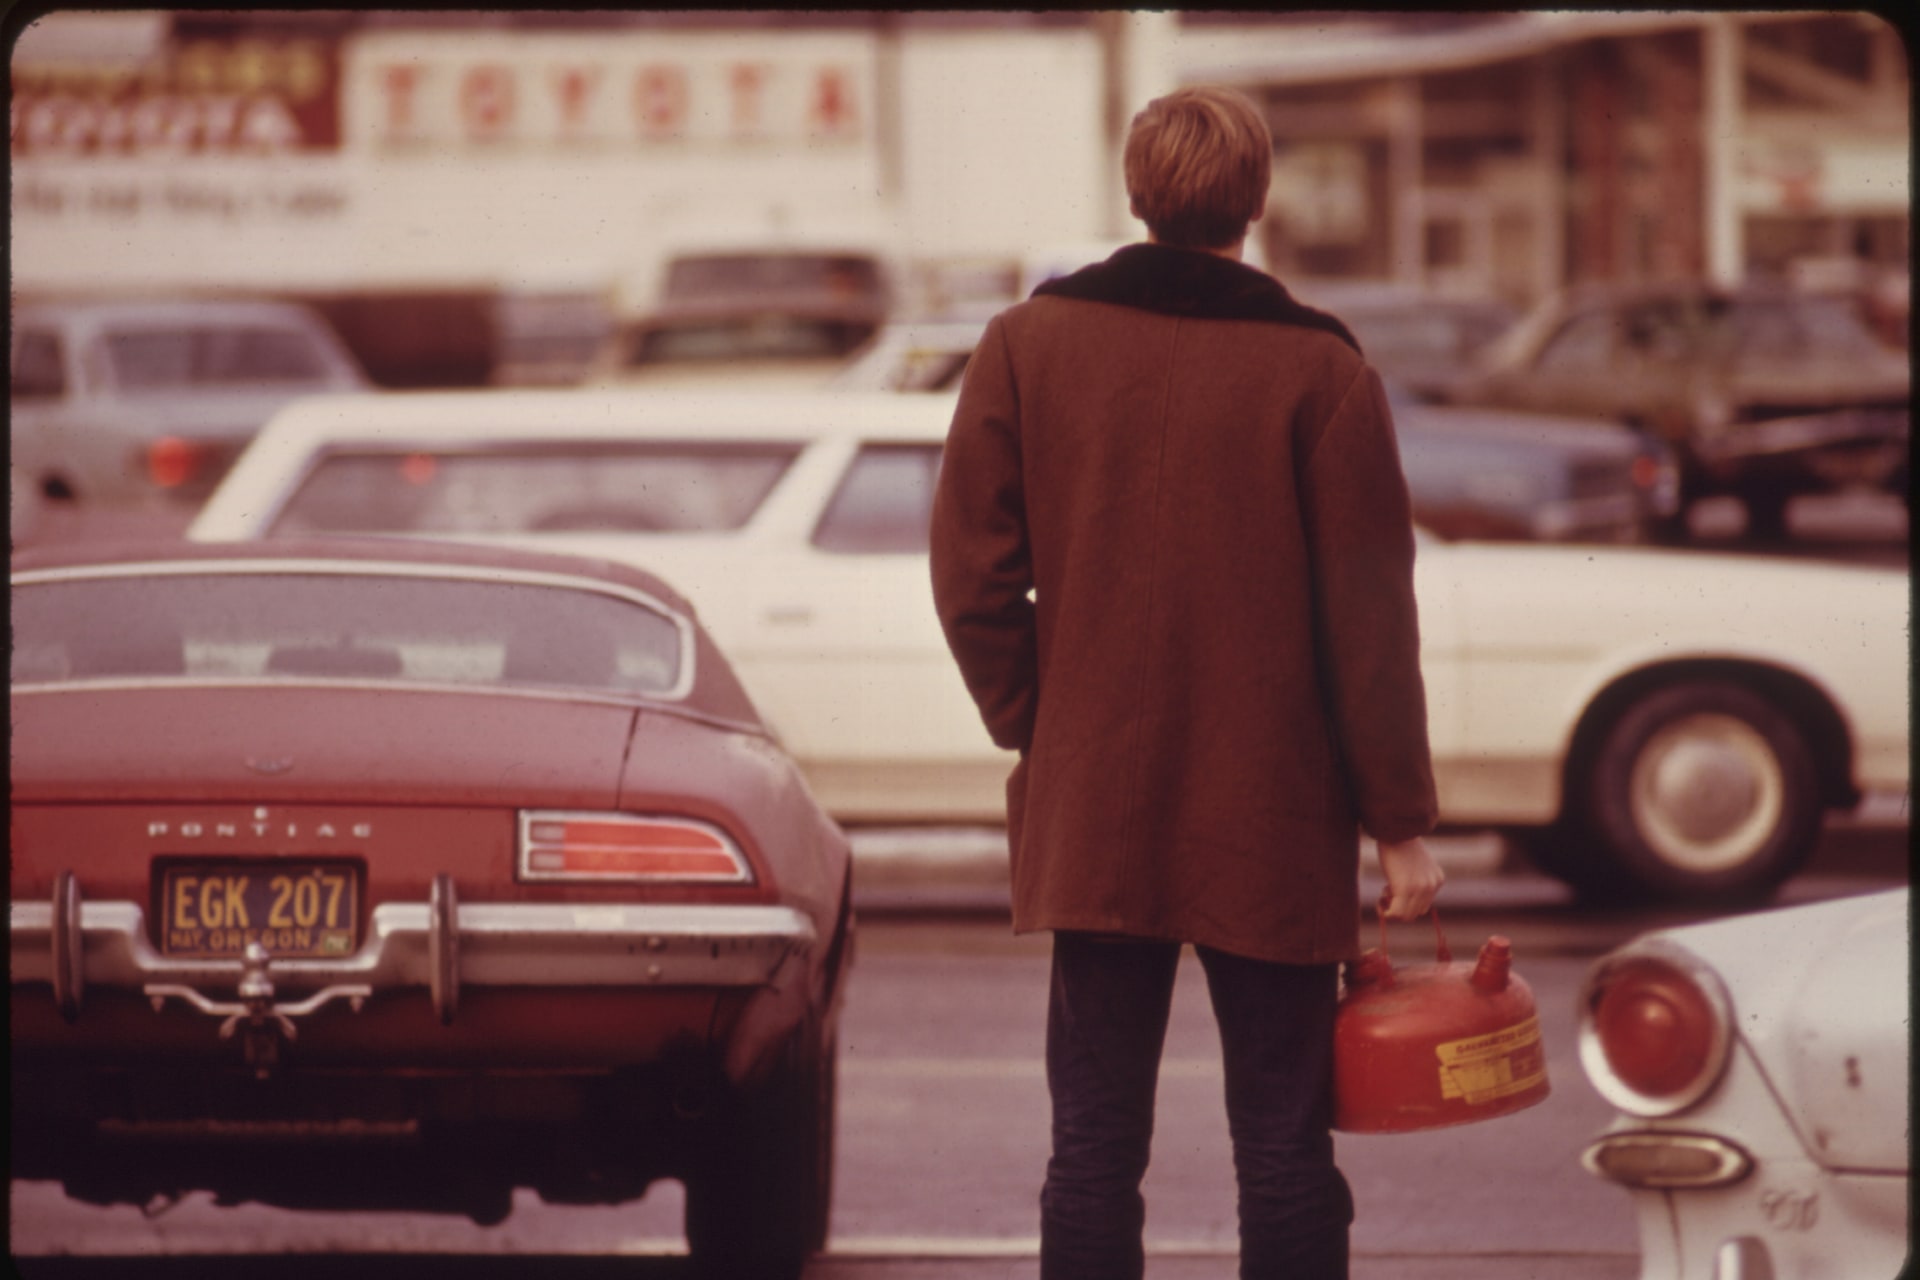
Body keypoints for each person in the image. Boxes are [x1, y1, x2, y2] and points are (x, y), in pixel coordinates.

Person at [928, 86, 1446, 1280]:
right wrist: (1399, 824)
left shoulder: (1026, 343)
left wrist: (1040, 723)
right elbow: (1370, 618)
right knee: (1282, 1139)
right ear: (1256, 202)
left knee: (1094, 1143)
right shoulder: (1322, 370)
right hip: (1272, 813)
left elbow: (970, 572)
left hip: (1096, 800)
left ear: (1136, 193)